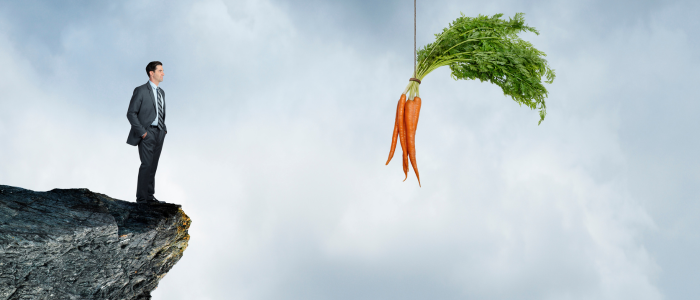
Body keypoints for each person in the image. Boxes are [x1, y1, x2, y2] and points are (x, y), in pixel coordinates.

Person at [126, 61, 168, 204]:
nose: (163, 73)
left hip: (160, 132)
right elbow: (131, 113)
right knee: (146, 164)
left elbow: (159, 112)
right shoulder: (141, 90)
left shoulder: (161, 92)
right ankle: (142, 199)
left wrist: (164, 129)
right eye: (160, 71)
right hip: (147, 132)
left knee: (153, 165)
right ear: (152, 73)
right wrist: (143, 133)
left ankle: (150, 196)